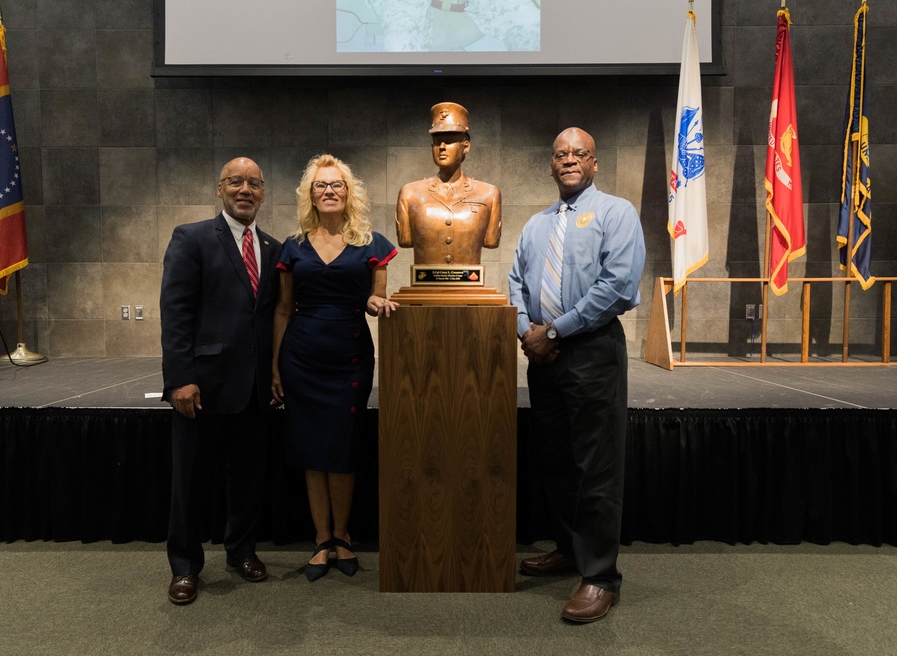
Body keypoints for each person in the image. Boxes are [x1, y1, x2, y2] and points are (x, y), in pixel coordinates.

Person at [508, 128, 646, 623]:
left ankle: (600, 576)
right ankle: (569, 550)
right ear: (551, 165)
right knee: (558, 462)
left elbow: (619, 286)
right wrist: (528, 332)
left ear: (594, 163)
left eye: (579, 153)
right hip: (542, 357)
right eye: (561, 154)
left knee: (596, 466)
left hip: (591, 352)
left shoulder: (616, 213)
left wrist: (557, 332)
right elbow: (515, 283)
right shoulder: (535, 224)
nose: (569, 160)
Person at [160, 157, 282, 606]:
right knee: (191, 481)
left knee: (247, 478)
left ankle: (242, 551)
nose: (245, 189)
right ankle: (185, 567)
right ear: (220, 189)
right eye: (236, 181)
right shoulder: (190, 239)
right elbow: (176, 314)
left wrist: (273, 372)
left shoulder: (271, 247)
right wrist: (181, 379)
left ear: (263, 193)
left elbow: (270, 316)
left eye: (254, 183)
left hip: (253, 389)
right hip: (202, 389)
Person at [272, 154, 398, 581]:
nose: (329, 191)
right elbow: (284, 310)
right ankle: (321, 540)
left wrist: (376, 302)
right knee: (311, 451)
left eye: (337, 184)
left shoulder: (372, 243)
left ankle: (342, 537)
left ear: (349, 193)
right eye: (321, 185)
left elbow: (373, 300)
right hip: (301, 358)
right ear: (311, 194)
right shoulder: (293, 246)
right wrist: (274, 368)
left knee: (342, 450)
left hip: (349, 357)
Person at [395, 102, 501, 266]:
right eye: (437, 141)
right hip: (424, 289)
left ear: (465, 146)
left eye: (449, 140)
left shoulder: (489, 194)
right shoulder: (410, 194)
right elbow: (405, 240)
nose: (442, 147)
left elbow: (491, 241)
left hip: (470, 288)